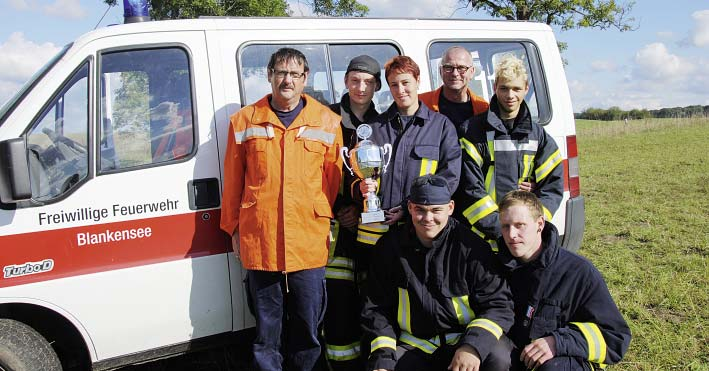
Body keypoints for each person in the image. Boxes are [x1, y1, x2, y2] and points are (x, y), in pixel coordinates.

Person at [220, 47, 343, 371]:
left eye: (294, 74)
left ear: (305, 79)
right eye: (280, 73)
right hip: (261, 238)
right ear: (269, 76)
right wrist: (233, 228)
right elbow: (233, 181)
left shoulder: (328, 121)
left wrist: (312, 212)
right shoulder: (244, 121)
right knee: (266, 331)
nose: (287, 80)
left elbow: (332, 180)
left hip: (307, 239)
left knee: (308, 326)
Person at [361, 174, 514, 371]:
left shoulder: (472, 248)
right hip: (414, 344)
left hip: (463, 339)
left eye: (436, 210)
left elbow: (499, 304)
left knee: (499, 358)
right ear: (409, 208)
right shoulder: (390, 248)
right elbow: (376, 308)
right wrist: (383, 358)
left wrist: (472, 346)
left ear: (450, 208)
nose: (428, 218)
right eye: (420, 210)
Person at [496, 191, 631, 370]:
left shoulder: (578, 272)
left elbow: (615, 337)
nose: (512, 234)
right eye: (506, 226)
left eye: (520, 225)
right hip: (519, 356)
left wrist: (558, 342)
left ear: (540, 224)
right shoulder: (497, 268)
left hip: (565, 360)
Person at [355, 55, 461, 247]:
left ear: (418, 81)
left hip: (420, 230)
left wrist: (408, 207)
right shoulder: (374, 129)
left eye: (406, 83)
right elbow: (354, 175)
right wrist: (359, 188)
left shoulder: (441, 127)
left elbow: (449, 178)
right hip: (377, 235)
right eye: (394, 85)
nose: (400, 90)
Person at [456, 54, 563, 243]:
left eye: (516, 88)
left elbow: (552, 188)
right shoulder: (473, 131)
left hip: (524, 239)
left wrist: (530, 225)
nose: (510, 95)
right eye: (504, 88)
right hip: (482, 238)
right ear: (495, 86)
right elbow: (469, 189)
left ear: (526, 89)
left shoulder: (538, 136)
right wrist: (500, 229)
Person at [323, 55, 382, 370]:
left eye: (369, 82)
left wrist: (363, 210)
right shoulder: (326, 118)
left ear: (377, 87)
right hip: (336, 230)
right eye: (355, 80)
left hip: (371, 228)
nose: (361, 87)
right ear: (345, 81)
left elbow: (385, 177)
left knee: (372, 301)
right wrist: (338, 210)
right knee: (339, 304)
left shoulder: (383, 124)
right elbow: (315, 173)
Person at [419, 46, 489, 137]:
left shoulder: (483, 108)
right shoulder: (421, 104)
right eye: (448, 67)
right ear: (441, 71)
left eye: (461, 68)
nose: (455, 73)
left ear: (472, 72)